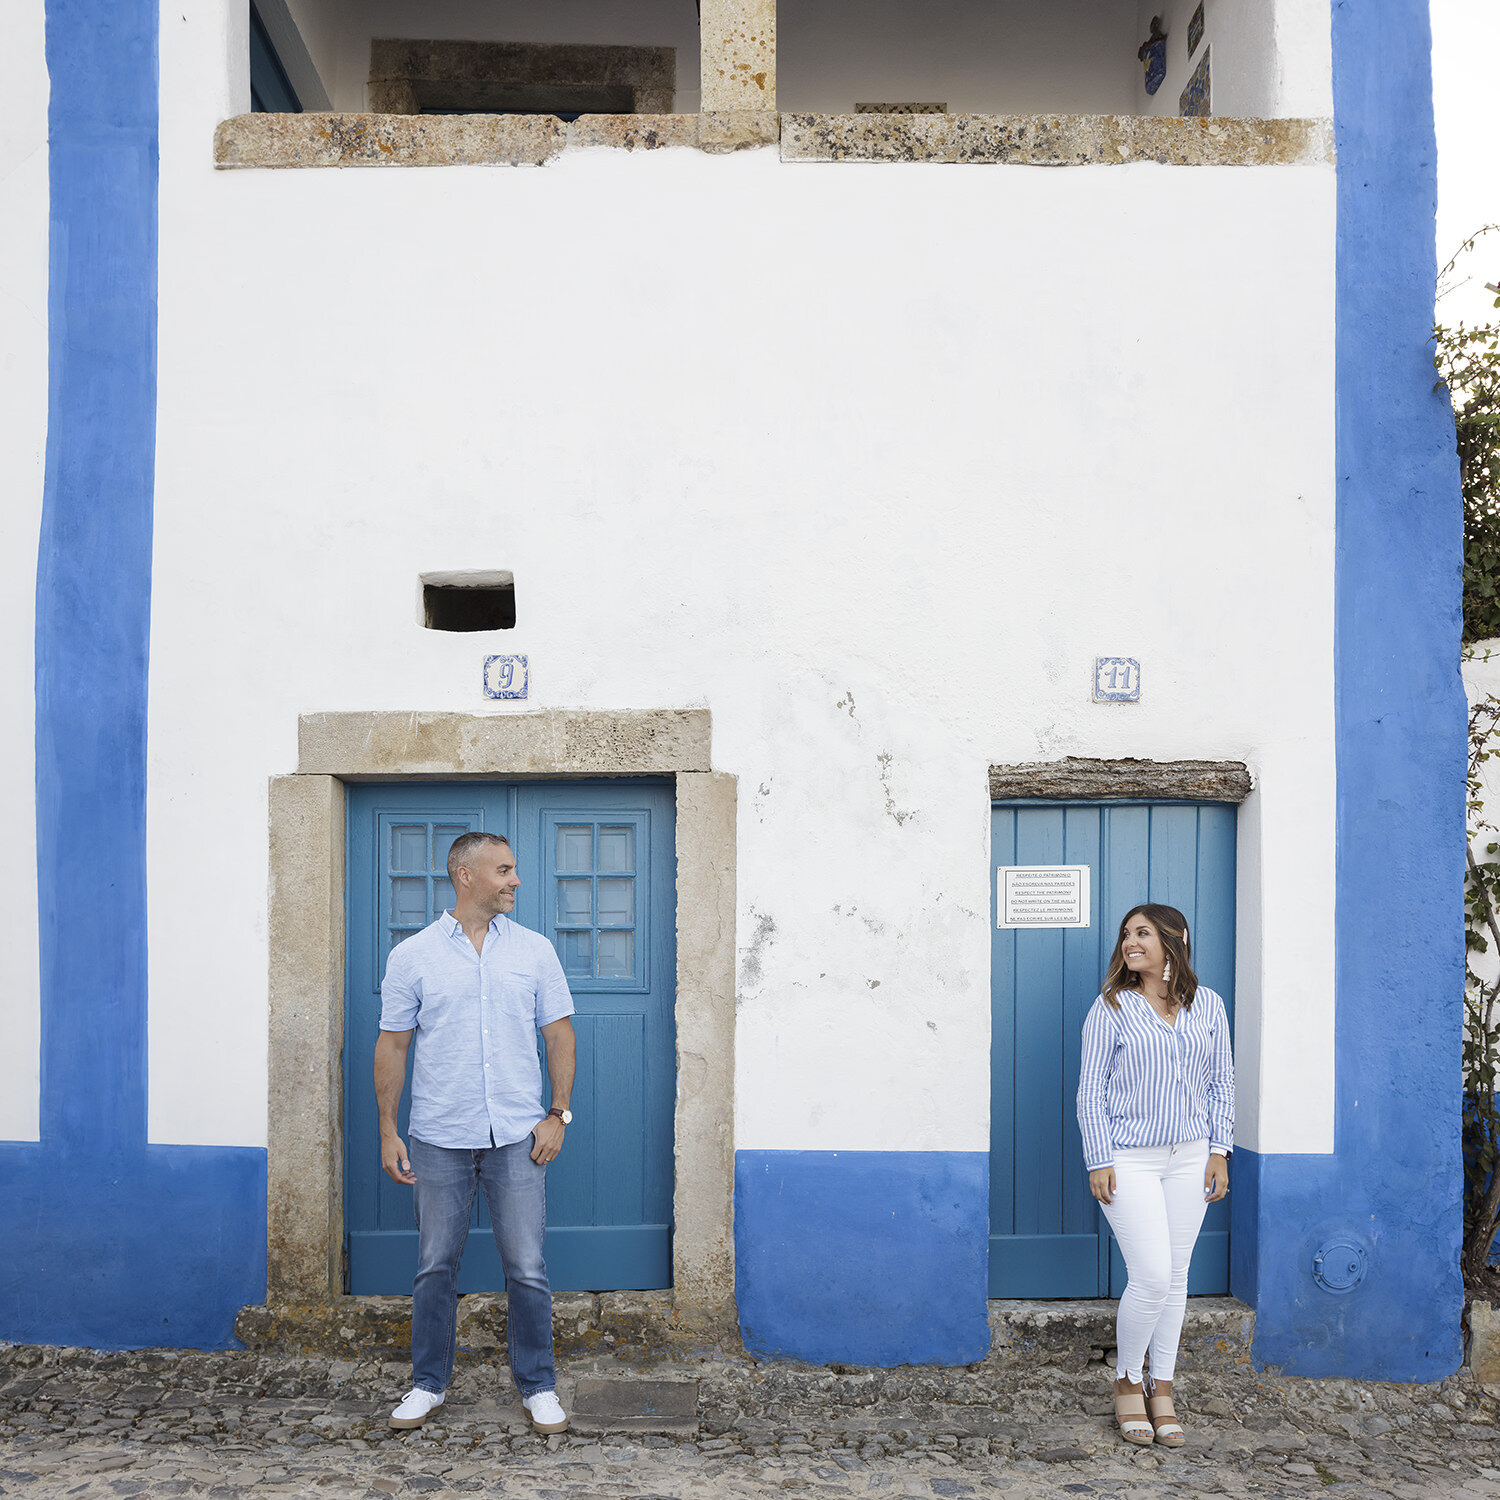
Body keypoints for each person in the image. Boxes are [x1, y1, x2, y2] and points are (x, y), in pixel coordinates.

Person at [374, 830, 577, 1434]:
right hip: (438, 1135)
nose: (516, 880)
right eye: (504, 870)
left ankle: (538, 1385)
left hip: (518, 1135)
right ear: (466, 875)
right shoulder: (411, 957)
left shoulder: (535, 951)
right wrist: (387, 1128)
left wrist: (558, 1113)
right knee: (435, 1264)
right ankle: (427, 1384)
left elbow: (560, 1034)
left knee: (528, 1266)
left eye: (514, 869)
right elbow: (392, 1044)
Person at [1075, 903, 1233, 1448]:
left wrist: (1220, 1151)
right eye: (1125, 934)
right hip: (1129, 1160)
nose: (1129, 942)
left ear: (1175, 940)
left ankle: (1161, 1388)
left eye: (1142, 933)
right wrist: (1100, 1157)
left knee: (1178, 1277)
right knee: (1151, 1276)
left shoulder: (1208, 1007)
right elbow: (1090, 1090)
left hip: (1191, 1158)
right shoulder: (1112, 1007)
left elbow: (1220, 1085)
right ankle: (1127, 1382)